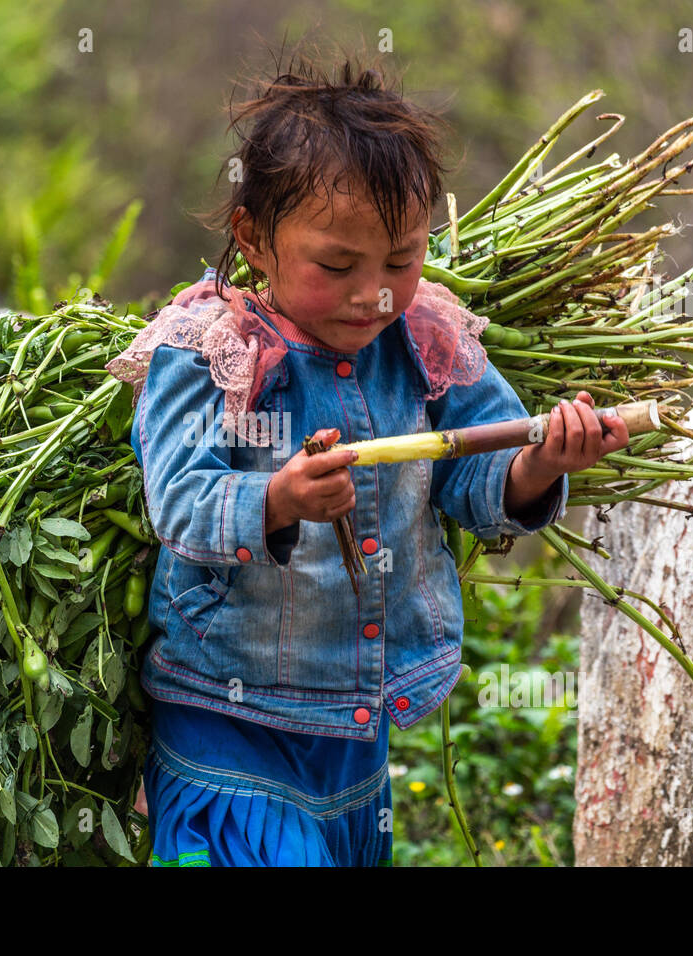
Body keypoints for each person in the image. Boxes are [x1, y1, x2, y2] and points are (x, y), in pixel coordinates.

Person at [106, 54, 628, 866]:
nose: (375, 295)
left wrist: (541, 463)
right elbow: (178, 500)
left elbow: (473, 478)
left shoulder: (428, 339)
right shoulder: (208, 349)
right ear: (254, 239)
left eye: (401, 261)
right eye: (338, 266)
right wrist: (276, 498)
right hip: (229, 720)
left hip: (359, 725)